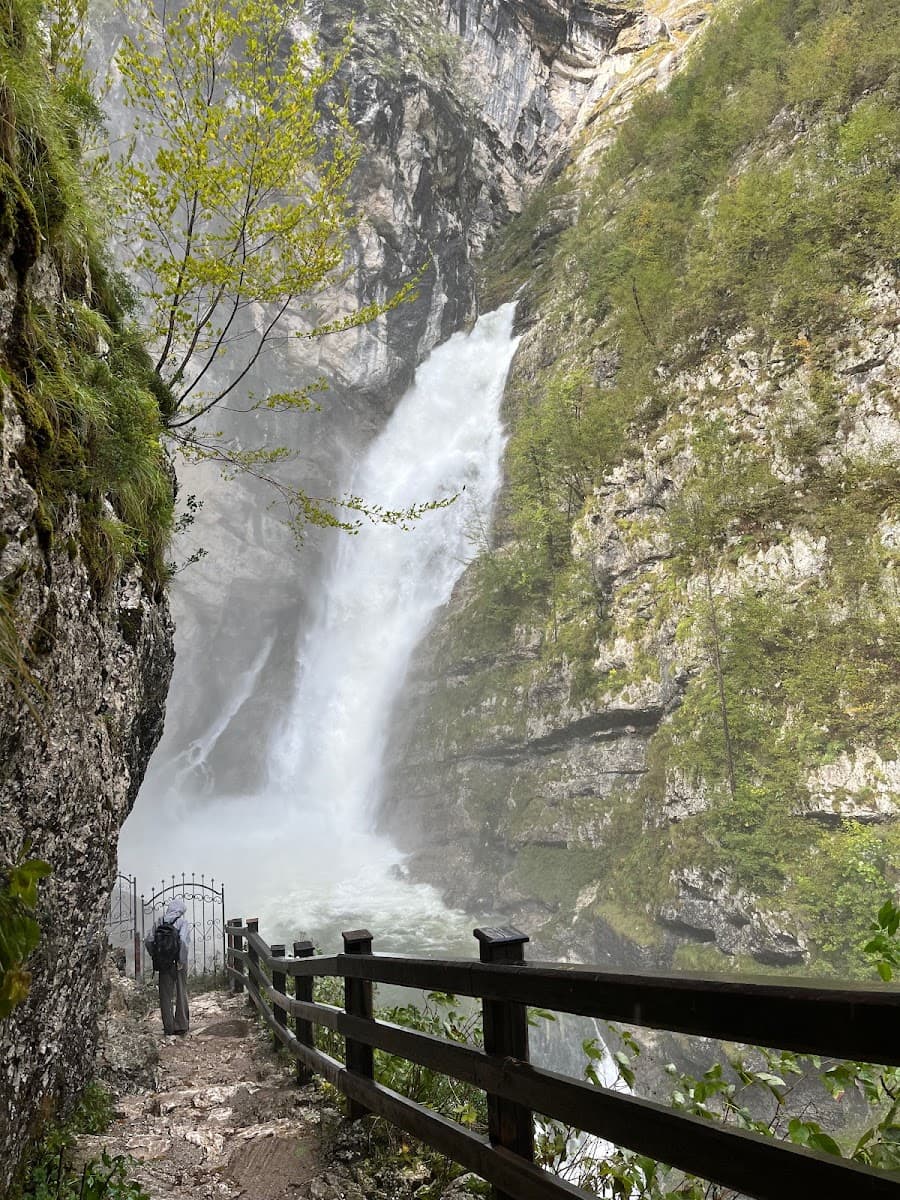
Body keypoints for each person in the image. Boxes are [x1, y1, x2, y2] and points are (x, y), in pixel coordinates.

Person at [145, 897, 191, 1036]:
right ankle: (181, 1025)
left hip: (164, 963)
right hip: (178, 963)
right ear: (181, 911)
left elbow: (148, 940)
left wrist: (155, 955)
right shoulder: (182, 922)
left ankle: (168, 1027)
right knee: (181, 992)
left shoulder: (159, 921)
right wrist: (182, 960)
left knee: (165, 995)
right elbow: (183, 941)